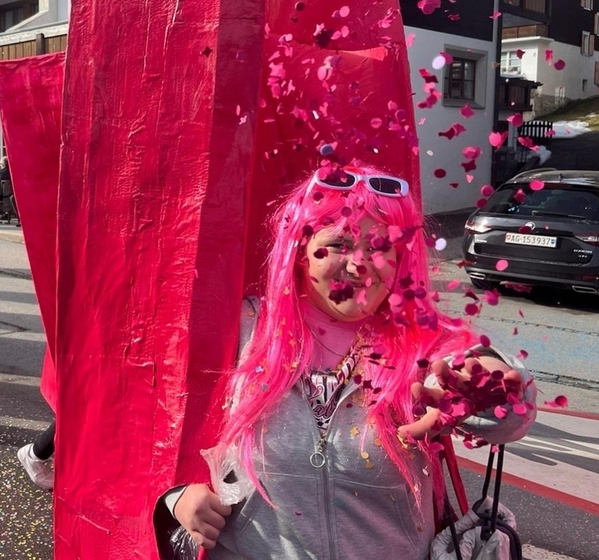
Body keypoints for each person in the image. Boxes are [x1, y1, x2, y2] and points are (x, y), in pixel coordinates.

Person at [156, 165, 536, 559]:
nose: (359, 265)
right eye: (339, 244)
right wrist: (176, 497)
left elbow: (507, 409)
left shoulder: (422, 343)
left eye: (380, 247)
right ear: (300, 250)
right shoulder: (242, 329)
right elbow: (153, 425)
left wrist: (492, 388)